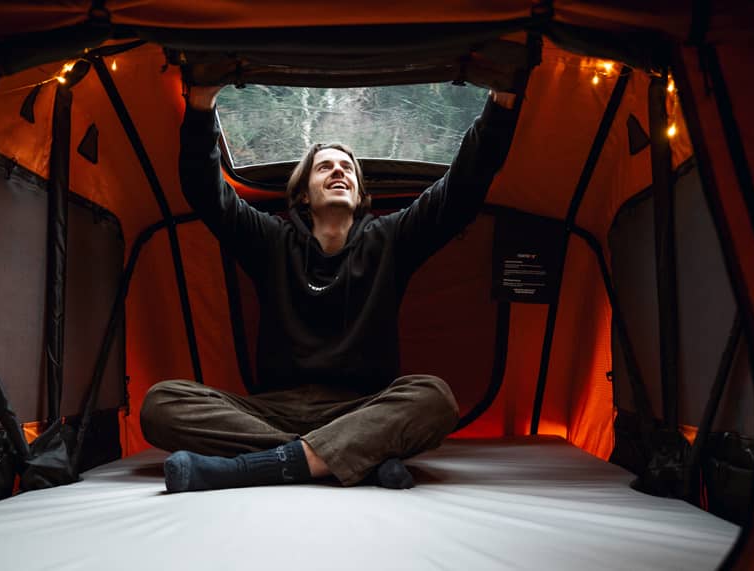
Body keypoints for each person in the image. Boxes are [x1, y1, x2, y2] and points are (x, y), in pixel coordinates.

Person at [140, 83, 523, 493]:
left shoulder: (390, 239)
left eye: (347, 169)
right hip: (274, 411)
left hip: (362, 409)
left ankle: (259, 466)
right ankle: (356, 458)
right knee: (162, 403)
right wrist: (201, 105)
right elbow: (206, 192)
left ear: (359, 194)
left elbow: (461, 190)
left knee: (435, 398)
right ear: (304, 195)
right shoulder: (271, 240)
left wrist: (501, 105)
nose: (338, 171)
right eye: (324, 168)